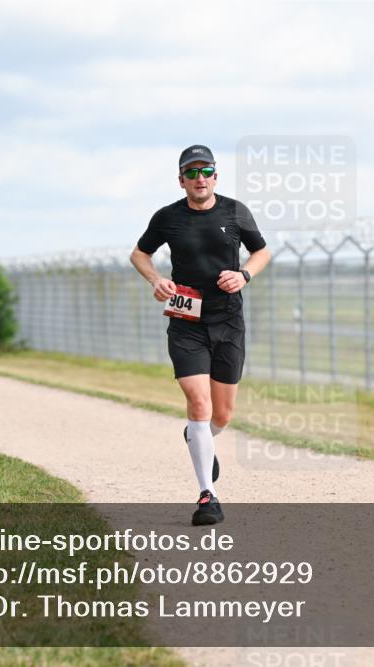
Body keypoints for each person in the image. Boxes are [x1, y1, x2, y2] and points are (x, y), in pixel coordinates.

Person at [130, 145, 271, 526]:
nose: (199, 178)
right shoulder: (167, 217)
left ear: (215, 176)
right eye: (191, 173)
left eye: (205, 170)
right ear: (181, 180)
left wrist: (243, 275)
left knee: (222, 415)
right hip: (186, 320)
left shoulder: (235, 211)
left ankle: (199, 437)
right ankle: (208, 495)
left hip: (228, 321)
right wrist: (157, 280)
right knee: (198, 401)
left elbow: (262, 252)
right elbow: (139, 254)